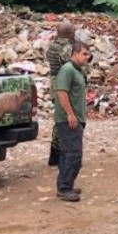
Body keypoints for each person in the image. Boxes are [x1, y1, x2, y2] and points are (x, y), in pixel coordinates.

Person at [54, 41, 90, 202]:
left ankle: (65, 184)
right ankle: (65, 188)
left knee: (68, 153)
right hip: (68, 120)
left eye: (88, 54)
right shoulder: (67, 70)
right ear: (74, 54)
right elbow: (62, 92)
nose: (86, 57)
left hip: (76, 119)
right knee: (74, 154)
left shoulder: (77, 71)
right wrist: (70, 114)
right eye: (84, 54)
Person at [45, 22, 74, 167]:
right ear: (69, 33)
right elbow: (73, 65)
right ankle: (63, 155)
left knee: (59, 118)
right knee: (65, 119)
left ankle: (54, 155)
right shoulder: (67, 48)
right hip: (64, 85)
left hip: (54, 83)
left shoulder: (52, 46)